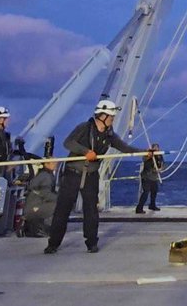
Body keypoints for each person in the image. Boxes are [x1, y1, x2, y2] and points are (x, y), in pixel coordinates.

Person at [44, 99, 153, 254]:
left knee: (91, 211)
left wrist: (144, 152)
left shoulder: (109, 135)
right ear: (102, 116)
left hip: (91, 176)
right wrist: (85, 152)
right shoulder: (84, 128)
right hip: (72, 175)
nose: (113, 120)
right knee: (63, 209)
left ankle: (91, 243)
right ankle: (53, 244)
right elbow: (68, 143)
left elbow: (124, 147)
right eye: (111, 117)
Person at [22, 160, 58, 237]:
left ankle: (38, 227)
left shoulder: (43, 174)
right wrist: (60, 199)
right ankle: (44, 228)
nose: (56, 165)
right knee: (57, 206)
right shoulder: (46, 176)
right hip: (35, 206)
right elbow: (46, 194)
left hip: (33, 206)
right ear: (46, 164)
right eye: (53, 163)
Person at [135, 143, 165, 214]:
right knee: (146, 192)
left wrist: (160, 169)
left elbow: (163, 164)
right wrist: (149, 155)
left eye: (157, 148)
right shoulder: (148, 154)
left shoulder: (160, 156)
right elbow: (144, 159)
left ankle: (152, 205)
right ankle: (139, 208)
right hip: (146, 177)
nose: (156, 149)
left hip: (154, 177)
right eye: (154, 148)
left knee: (154, 191)